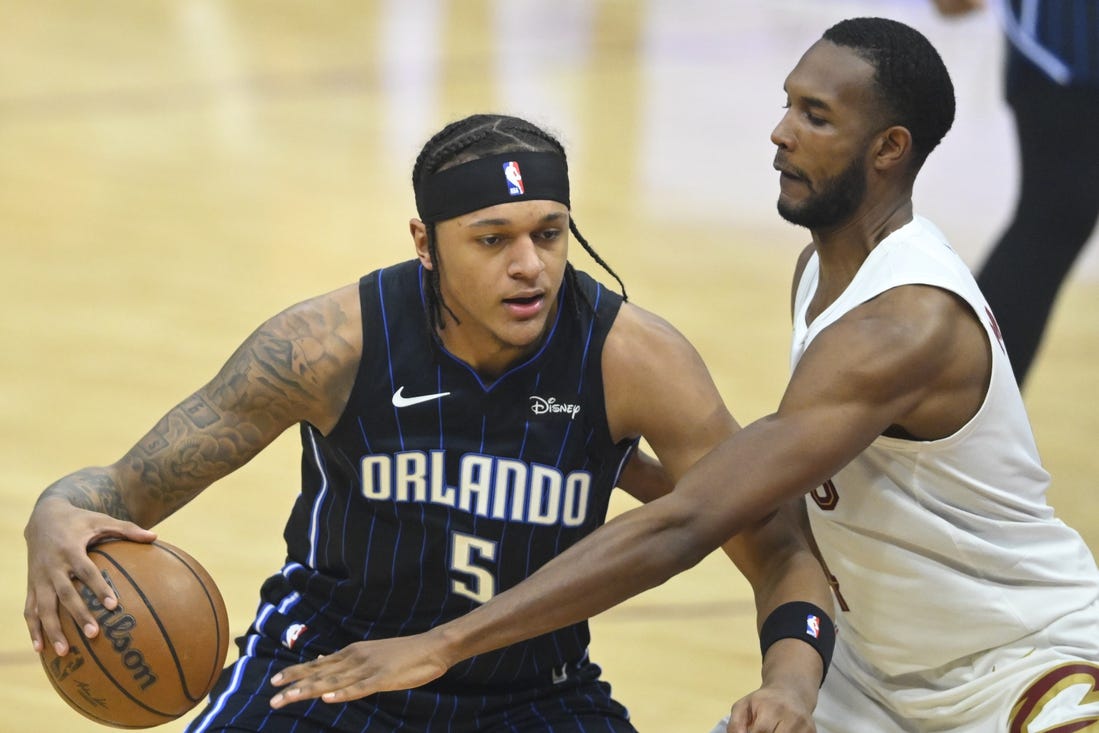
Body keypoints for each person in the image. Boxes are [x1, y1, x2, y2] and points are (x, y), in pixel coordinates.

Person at [262, 19, 1099, 733]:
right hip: (877, 674)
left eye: (814, 116)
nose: (779, 132)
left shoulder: (903, 324)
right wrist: (605, 456)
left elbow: (694, 521)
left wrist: (443, 642)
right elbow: (769, 499)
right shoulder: (824, 269)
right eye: (785, 104)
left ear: (888, 149)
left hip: (1016, 659)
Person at [24, 113, 835, 732]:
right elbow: (121, 490)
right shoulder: (322, 346)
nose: (530, 266)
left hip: (532, 690)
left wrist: (789, 682)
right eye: (493, 240)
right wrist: (54, 511)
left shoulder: (635, 359)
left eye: (549, 235)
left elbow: (776, 543)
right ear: (424, 241)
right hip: (324, 670)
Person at [934, 0, 1099, 386]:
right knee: (1054, 218)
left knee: (1055, 219)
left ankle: (953, 402)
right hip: (1066, 40)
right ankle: (952, 401)